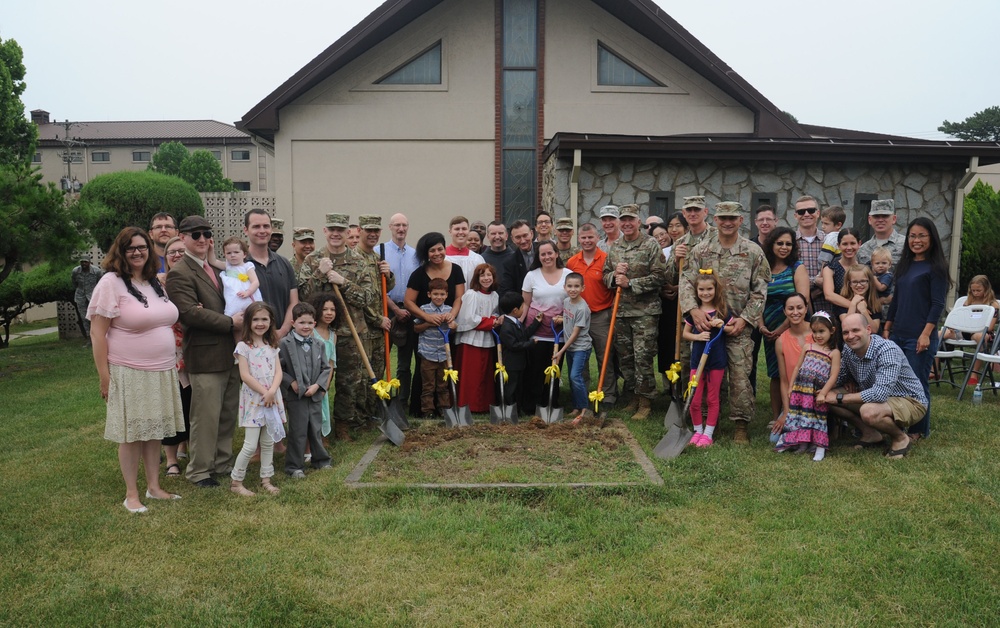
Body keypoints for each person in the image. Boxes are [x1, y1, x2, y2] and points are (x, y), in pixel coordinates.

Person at [88, 227, 184, 512]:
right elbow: (97, 333)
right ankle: (132, 494)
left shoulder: (154, 282)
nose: (138, 252)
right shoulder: (110, 283)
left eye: (142, 247)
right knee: (132, 433)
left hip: (162, 369)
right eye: (131, 248)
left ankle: (153, 487)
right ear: (120, 251)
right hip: (129, 370)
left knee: (154, 430)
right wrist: (104, 376)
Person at [681, 201, 770, 443]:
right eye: (723, 218)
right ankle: (710, 423)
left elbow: (760, 291)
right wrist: (693, 311)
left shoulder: (753, 252)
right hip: (707, 327)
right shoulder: (700, 251)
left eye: (733, 218)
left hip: (737, 327)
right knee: (707, 375)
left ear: (741, 221)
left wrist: (745, 320)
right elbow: (686, 282)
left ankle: (741, 424)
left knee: (740, 377)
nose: (728, 222)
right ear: (716, 220)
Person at [166, 215, 242, 488]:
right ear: (182, 238)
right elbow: (188, 314)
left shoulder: (217, 269)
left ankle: (222, 464)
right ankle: (199, 471)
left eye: (206, 233)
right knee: (205, 417)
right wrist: (231, 322)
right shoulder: (180, 273)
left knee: (227, 413)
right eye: (194, 234)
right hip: (206, 356)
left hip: (232, 354)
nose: (201, 239)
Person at [298, 213, 376, 440]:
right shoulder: (313, 259)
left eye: (340, 230)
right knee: (316, 382)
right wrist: (319, 273)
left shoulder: (358, 261)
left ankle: (343, 425)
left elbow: (368, 297)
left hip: (350, 333)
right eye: (331, 229)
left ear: (348, 233)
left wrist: (344, 283)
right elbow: (303, 295)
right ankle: (317, 428)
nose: (335, 233)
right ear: (325, 231)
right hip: (318, 334)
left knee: (349, 383)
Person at [883, 217, 949, 439]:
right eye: (912, 236)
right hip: (898, 334)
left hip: (920, 337)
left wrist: (925, 335)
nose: (916, 240)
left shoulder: (936, 267)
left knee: (917, 383)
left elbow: (938, 304)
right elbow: (897, 300)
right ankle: (902, 422)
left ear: (931, 238)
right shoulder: (906, 265)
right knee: (897, 382)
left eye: (922, 235)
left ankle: (919, 430)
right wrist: (887, 329)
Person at [827, 314, 928, 459]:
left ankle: (901, 438)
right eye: (845, 332)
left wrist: (840, 397)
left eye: (856, 330)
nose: (850, 336)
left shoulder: (887, 350)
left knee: (869, 411)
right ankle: (871, 434)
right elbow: (840, 377)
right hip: (878, 399)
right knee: (826, 397)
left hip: (910, 401)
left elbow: (879, 394)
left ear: (868, 330)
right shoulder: (849, 350)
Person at [603, 203, 668, 420]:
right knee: (626, 358)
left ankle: (646, 400)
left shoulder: (650, 245)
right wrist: (614, 277)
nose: (627, 223)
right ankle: (632, 395)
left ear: (639, 222)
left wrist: (631, 283)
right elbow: (605, 274)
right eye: (624, 220)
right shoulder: (616, 246)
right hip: (620, 312)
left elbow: (660, 277)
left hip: (645, 313)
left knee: (643, 357)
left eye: (631, 219)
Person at [404, 232, 466, 414]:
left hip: (447, 330)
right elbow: (408, 301)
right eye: (432, 250)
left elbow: (460, 297)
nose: (437, 253)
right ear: (426, 253)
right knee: (425, 372)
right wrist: (427, 317)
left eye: (440, 248)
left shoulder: (456, 270)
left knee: (445, 373)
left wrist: (452, 315)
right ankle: (422, 409)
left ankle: (445, 407)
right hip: (425, 330)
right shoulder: (419, 274)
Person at [230, 301, 286, 497]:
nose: (260, 323)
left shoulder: (272, 346)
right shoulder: (243, 347)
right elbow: (245, 375)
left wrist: (272, 391)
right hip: (255, 399)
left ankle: (266, 479)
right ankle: (236, 481)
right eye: (256, 319)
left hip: (272, 397)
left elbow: (278, 372)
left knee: (268, 441)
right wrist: (265, 392)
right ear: (248, 322)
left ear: (271, 322)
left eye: (264, 319)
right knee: (251, 444)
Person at [758, 227, 811, 420]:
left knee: (797, 369)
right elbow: (757, 298)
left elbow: (802, 301)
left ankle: (800, 412)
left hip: (793, 327)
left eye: (788, 243)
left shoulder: (797, 267)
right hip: (768, 330)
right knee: (776, 373)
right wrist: (762, 326)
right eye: (780, 243)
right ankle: (777, 417)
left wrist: (780, 330)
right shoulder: (763, 268)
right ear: (771, 244)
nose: (784, 247)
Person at [773, 312, 841, 461]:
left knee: (817, 418)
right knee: (799, 416)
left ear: (832, 330)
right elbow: (797, 367)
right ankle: (800, 443)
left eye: (822, 331)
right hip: (801, 389)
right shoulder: (808, 347)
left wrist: (823, 393)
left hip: (816, 392)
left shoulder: (834, 352)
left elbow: (833, 376)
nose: (818, 335)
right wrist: (791, 386)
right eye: (815, 331)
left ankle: (819, 447)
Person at [566, 223, 619, 408]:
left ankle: (608, 395)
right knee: (580, 357)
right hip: (578, 317)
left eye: (591, 237)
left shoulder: (606, 259)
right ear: (578, 239)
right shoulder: (572, 262)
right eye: (583, 237)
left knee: (604, 356)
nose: (587, 241)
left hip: (600, 316)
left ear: (598, 238)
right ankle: (582, 394)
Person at [279, 302, 333, 477]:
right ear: (293, 323)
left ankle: (321, 460)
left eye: (309, 323)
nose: (306, 326)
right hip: (297, 397)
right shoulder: (285, 344)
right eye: (302, 323)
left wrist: (318, 385)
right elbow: (278, 368)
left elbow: (326, 368)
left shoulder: (319, 344)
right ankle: (294, 466)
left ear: (314, 324)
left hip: (314, 395)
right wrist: (291, 382)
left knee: (315, 428)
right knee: (298, 431)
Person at [666, 196, 716, 381]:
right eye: (689, 210)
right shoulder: (680, 243)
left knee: (713, 357)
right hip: (686, 310)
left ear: (705, 212)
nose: (693, 213)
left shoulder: (717, 238)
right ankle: (690, 400)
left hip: (712, 308)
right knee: (687, 359)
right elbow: (670, 278)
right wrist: (675, 260)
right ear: (684, 214)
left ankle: (713, 402)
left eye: (697, 210)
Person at [682, 270, 733, 448]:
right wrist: (698, 337)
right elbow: (685, 334)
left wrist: (722, 325)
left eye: (709, 289)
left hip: (716, 361)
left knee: (712, 398)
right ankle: (697, 431)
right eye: (701, 289)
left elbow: (731, 329)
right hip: (698, 361)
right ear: (696, 291)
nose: (705, 293)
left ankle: (708, 433)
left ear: (715, 289)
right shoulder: (694, 313)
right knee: (695, 398)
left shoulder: (722, 311)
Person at [522, 240, 572, 415]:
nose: (546, 257)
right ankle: (533, 405)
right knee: (535, 369)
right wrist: (519, 325)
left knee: (554, 370)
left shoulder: (568, 274)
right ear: (538, 257)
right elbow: (526, 304)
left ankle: (551, 402)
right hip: (536, 332)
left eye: (550, 253)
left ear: (557, 253)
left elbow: (573, 302)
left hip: (559, 333)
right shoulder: (531, 276)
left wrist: (565, 318)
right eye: (542, 254)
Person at [354, 214, 395, 421]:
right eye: (368, 230)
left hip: (380, 327)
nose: (372, 234)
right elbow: (359, 299)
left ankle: (374, 413)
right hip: (364, 327)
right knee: (364, 374)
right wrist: (377, 318)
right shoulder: (354, 258)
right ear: (360, 230)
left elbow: (385, 289)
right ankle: (359, 417)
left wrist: (389, 274)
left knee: (379, 369)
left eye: (376, 231)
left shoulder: (377, 257)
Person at [244, 209, 300, 339]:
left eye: (266, 226)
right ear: (246, 230)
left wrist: (282, 331)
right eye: (256, 226)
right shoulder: (239, 265)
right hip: (251, 343)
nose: (262, 231)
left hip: (283, 341)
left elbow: (294, 302)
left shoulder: (284, 264)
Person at [160, 237, 191, 476]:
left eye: (182, 250)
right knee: (171, 405)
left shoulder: (196, 278)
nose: (177, 254)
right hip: (166, 353)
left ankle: (187, 445)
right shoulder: (156, 283)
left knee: (191, 403)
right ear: (165, 256)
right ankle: (171, 459)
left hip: (194, 350)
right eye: (172, 251)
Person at [382, 213, 420, 401]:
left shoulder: (415, 255)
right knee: (382, 359)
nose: (401, 229)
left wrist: (408, 308)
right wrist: (396, 310)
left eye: (404, 225)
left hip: (410, 312)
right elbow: (378, 288)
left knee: (405, 362)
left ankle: (402, 400)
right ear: (390, 227)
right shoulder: (379, 252)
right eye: (397, 225)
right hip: (387, 310)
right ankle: (381, 397)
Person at [455, 264, 499, 413]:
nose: (486, 279)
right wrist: (491, 322)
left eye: (489, 275)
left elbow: (495, 314)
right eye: (482, 275)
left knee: (485, 373)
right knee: (471, 375)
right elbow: (468, 319)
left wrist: (494, 320)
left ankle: (484, 405)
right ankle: (469, 404)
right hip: (470, 339)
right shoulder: (471, 294)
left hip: (487, 339)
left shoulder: (495, 295)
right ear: (477, 278)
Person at [943, 275, 999, 386]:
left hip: (981, 333)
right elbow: (961, 319)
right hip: (963, 332)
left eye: (979, 290)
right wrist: (953, 327)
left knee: (980, 337)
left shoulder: (993, 305)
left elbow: (991, 327)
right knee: (939, 334)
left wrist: (973, 326)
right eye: (973, 290)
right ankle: (932, 370)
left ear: (986, 289)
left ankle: (974, 373)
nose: (975, 293)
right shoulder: (968, 302)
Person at [414, 278, 456, 417]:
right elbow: (416, 328)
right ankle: (428, 411)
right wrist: (429, 322)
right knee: (428, 386)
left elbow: (454, 329)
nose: (439, 297)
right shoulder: (424, 310)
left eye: (442, 294)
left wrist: (452, 326)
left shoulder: (449, 310)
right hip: (428, 354)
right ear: (429, 294)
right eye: (436, 294)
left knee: (443, 385)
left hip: (444, 355)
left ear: (447, 295)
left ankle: (443, 409)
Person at [553, 272, 592, 420]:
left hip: (580, 347)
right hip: (570, 348)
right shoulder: (567, 302)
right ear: (564, 287)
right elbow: (570, 319)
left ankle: (584, 408)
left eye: (577, 286)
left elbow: (575, 333)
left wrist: (561, 351)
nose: (573, 289)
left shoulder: (582, 308)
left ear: (583, 288)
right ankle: (576, 407)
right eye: (570, 286)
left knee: (576, 376)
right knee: (572, 377)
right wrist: (561, 318)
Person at [772, 293, 814, 430]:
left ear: (806, 309)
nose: (795, 312)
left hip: (817, 395)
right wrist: (786, 411)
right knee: (776, 437)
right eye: (790, 309)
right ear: (784, 311)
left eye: (799, 308)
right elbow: (784, 380)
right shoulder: (780, 341)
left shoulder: (818, 332)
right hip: (795, 397)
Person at [656, 212, 687, 391]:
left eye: (678, 226)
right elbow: (663, 276)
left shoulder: (695, 246)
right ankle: (670, 384)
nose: (674, 230)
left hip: (686, 302)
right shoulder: (666, 251)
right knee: (668, 344)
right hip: (669, 305)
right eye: (671, 226)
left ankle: (685, 384)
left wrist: (679, 288)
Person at [497, 292, 543, 412]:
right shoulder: (506, 327)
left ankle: (518, 409)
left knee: (519, 387)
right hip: (512, 364)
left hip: (520, 364)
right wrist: (531, 344)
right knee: (511, 388)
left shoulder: (516, 323)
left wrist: (536, 323)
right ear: (515, 310)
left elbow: (523, 335)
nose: (524, 309)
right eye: (523, 307)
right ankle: (509, 410)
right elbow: (513, 345)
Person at [792, 196, 827, 315]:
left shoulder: (829, 241)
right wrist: (816, 282)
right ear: (795, 216)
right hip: (799, 310)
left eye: (811, 210)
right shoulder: (789, 243)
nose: (806, 214)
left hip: (828, 305)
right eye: (801, 211)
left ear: (818, 213)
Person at [310, 292, 338, 439]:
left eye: (332, 310)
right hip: (310, 379)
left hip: (323, 380)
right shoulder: (311, 333)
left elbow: (331, 363)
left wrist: (325, 386)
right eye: (325, 309)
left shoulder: (333, 335)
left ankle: (321, 437)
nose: (329, 313)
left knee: (323, 407)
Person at [821, 228, 862, 319]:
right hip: (839, 315)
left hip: (864, 313)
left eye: (852, 243)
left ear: (859, 244)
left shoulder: (865, 267)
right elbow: (829, 295)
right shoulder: (830, 268)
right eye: (845, 244)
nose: (849, 248)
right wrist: (854, 306)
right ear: (838, 245)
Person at [217, 237, 263, 317]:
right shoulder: (227, 266)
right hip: (233, 299)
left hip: (247, 296)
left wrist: (248, 292)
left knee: (252, 314)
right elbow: (212, 261)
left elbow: (255, 282)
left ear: (244, 254)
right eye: (228, 253)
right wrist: (210, 249)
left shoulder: (247, 266)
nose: (232, 255)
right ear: (224, 254)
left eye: (236, 252)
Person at [857, 199, 907, 267]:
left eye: (885, 216)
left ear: (894, 219)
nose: (880, 220)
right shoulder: (863, 250)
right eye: (876, 216)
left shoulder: (906, 244)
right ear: (869, 220)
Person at [445, 216, 485, 290]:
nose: (461, 232)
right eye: (457, 229)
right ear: (450, 232)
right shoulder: (442, 257)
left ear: (468, 231)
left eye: (464, 229)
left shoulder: (477, 259)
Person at [481, 221, 519, 297]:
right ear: (488, 236)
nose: (497, 237)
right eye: (493, 234)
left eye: (501, 233)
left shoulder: (516, 257)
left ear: (506, 236)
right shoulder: (481, 259)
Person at [72, 253, 103, 346]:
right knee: (84, 318)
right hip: (80, 296)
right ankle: (89, 339)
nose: (83, 264)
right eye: (82, 262)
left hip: (93, 296)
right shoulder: (75, 271)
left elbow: (101, 284)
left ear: (89, 262)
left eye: (85, 262)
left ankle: (99, 337)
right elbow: (74, 283)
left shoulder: (97, 271)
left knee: (96, 317)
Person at [842, 264, 882, 331]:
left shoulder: (874, 302)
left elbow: (874, 330)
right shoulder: (842, 301)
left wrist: (863, 310)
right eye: (854, 282)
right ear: (849, 284)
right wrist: (853, 304)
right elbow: (846, 326)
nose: (859, 285)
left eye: (863, 281)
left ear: (869, 282)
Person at [509, 220, 535, 291]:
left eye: (525, 235)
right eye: (518, 237)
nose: (523, 241)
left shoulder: (545, 253)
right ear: (513, 239)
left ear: (532, 234)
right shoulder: (509, 263)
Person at [869, 246, 894, 318]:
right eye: (877, 263)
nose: (880, 266)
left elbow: (881, 288)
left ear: (889, 264)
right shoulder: (877, 275)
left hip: (884, 303)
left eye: (884, 263)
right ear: (872, 264)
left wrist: (873, 278)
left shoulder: (887, 276)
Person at [818, 205, 846, 270]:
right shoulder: (842, 236)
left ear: (838, 225)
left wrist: (821, 276)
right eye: (822, 223)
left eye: (826, 224)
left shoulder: (830, 238)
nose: (823, 226)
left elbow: (825, 261)